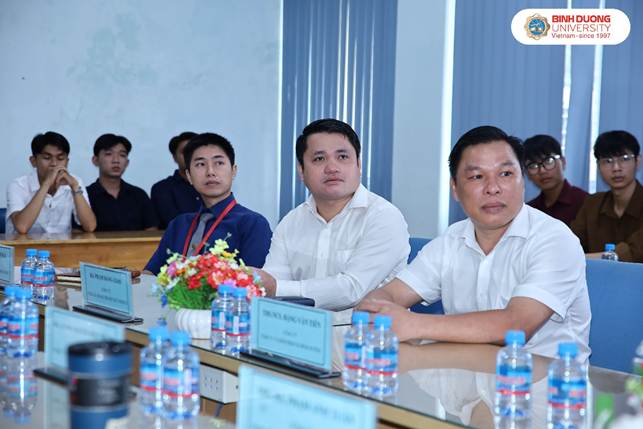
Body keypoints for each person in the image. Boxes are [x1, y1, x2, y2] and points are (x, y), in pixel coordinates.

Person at [357, 126, 591, 361]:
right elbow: (390, 294)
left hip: (546, 379)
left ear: (522, 181)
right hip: (465, 375)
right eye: (477, 177)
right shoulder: (452, 239)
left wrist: (414, 324)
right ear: (455, 188)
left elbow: (515, 326)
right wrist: (377, 309)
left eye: (505, 174)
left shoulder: (555, 239)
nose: (493, 188)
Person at [253, 119, 410, 316]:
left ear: (359, 165)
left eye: (342, 157)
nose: (332, 168)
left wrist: (277, 288)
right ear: (301, 170)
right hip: (300, 330)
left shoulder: (384, 217)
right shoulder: (291, 222)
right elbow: (272, 284)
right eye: (319, 159)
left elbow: (353, 289)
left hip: (367, 332)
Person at [145, 132, 271, 274]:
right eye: (200, 164)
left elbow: (253, 280)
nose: (210, 172)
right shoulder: (178, 225)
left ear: (233, 171)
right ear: (189, 176)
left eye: (219, 163)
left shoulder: (252, 224)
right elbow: (151, 273)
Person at [571, 130, 643, 262]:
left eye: (624, 159)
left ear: (637, 161)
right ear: (598, 166)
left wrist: (580, 259)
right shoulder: (592, 204)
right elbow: (571, 244)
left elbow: (636, 252)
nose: (616, 168)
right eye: (608, 161)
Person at [6, 132, 96, 234]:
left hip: (60, 244)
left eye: (60, 158)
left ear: (67, 162)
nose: (54, 164)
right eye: (47, 158)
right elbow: (22, 227)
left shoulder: (75, 182)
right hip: (23, 244)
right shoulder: (18, 185)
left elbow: (90, 226)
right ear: (33, 161)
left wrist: (75, 187)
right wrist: (46, 184)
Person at [87, 134, 159, 231]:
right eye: (108, 154)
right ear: (95, 160)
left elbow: (151, 230)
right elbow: (77, 233)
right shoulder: (84, 196)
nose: (116, 160)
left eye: (122, 155)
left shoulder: (139, 195)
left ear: (127, 163)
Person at [523, 134, 588, 225]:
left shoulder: (585, 202)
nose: (542, 171)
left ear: (563, 162)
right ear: (527, 174)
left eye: (548, 161)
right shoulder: (529, 211)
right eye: (533, 165)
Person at [151, 132, 201, 228]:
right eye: (184, 152)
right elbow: (173, 223)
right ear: (174, 157)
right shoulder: (162, 188)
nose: (189, 156)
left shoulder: (213, 184)